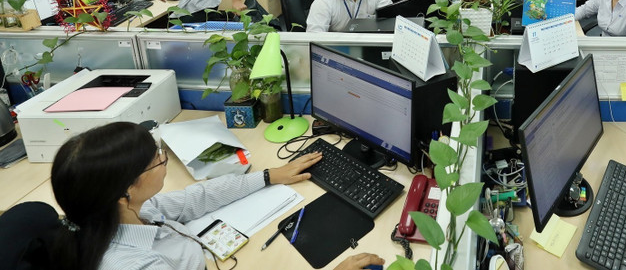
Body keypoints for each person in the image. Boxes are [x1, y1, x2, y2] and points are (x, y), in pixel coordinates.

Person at [48, 121, 384, 270]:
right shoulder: (138, 265)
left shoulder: (125, 211)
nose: (163, 160)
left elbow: (197, 198)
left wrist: (269, 176)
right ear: (124, 192)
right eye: (155, 160)